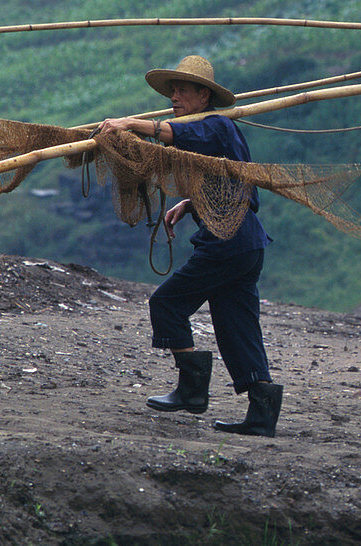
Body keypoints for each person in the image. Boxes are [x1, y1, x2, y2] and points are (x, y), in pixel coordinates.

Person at [99, 55, 282, 437]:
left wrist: (128, 123)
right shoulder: (216, 133)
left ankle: (192, 391)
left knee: (166, 303)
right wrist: (189, 203)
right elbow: (236, 186)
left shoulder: (214, 124)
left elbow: (174, 136)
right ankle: (261, 413)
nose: (174, 97)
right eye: (172, 91)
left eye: (182, 90)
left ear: (204, 95)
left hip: (228, 245)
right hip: (246, 246)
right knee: (237, 326)